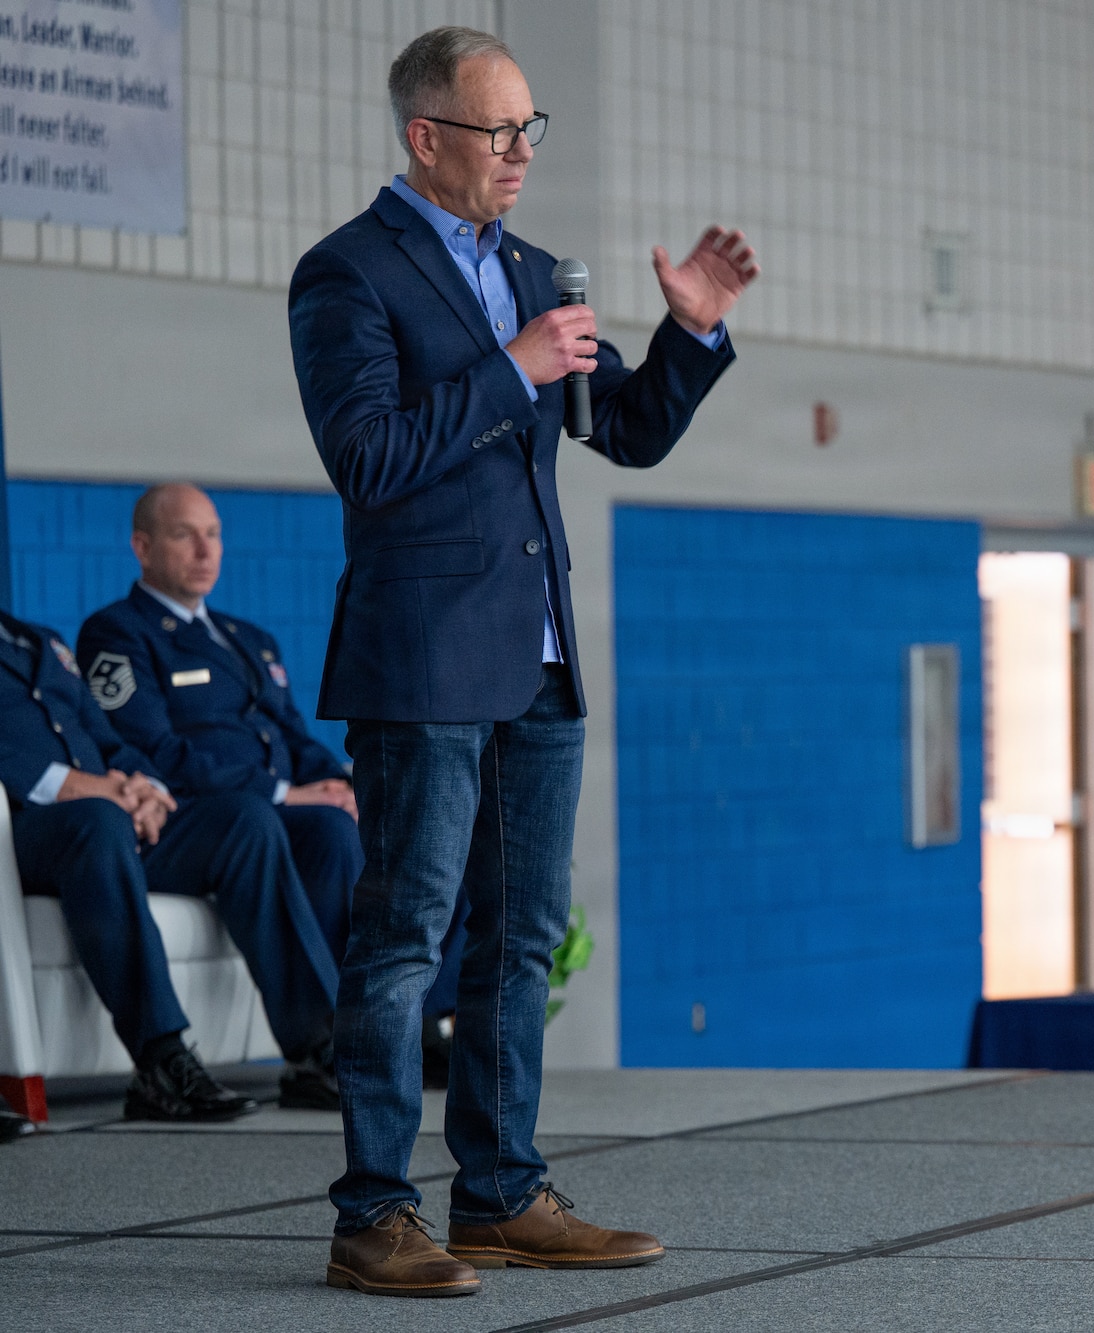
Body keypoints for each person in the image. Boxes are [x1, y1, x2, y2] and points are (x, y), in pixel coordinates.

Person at [288, 25, 755, 1298]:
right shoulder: (346, 274)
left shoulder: (540, 269)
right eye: (498, 132)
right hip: (424, 659)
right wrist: (511, 365)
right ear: (423, 137)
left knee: (522, 934)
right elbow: (369, 459)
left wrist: (689, 337)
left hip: (538, 658)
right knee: (402, 938)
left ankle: (497, 1194)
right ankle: (372, 1211)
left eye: (531, 129)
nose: (521, 154)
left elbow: (621, 433)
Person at [76, 483, 469, 1085]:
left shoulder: (246, 638)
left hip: (268, 812)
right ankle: (321, 1043)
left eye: (214, 534)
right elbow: (153, 751)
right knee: (278, 824)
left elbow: (293, 737)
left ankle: (414, 1024)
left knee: (383, 823)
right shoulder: (118, 634)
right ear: (143, 546)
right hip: (190, 816)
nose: (205, 550)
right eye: (185, 534)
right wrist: (284, 794)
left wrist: (348, 783)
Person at [0, 606, 341, 1119]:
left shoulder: (39, 639)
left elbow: (110, 739)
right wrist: (85, 789)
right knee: (99, 821)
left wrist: (147, 790)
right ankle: (160, 1060)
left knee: (245, 822)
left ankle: (317, 1045)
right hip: (30, 828)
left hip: (111, 818)